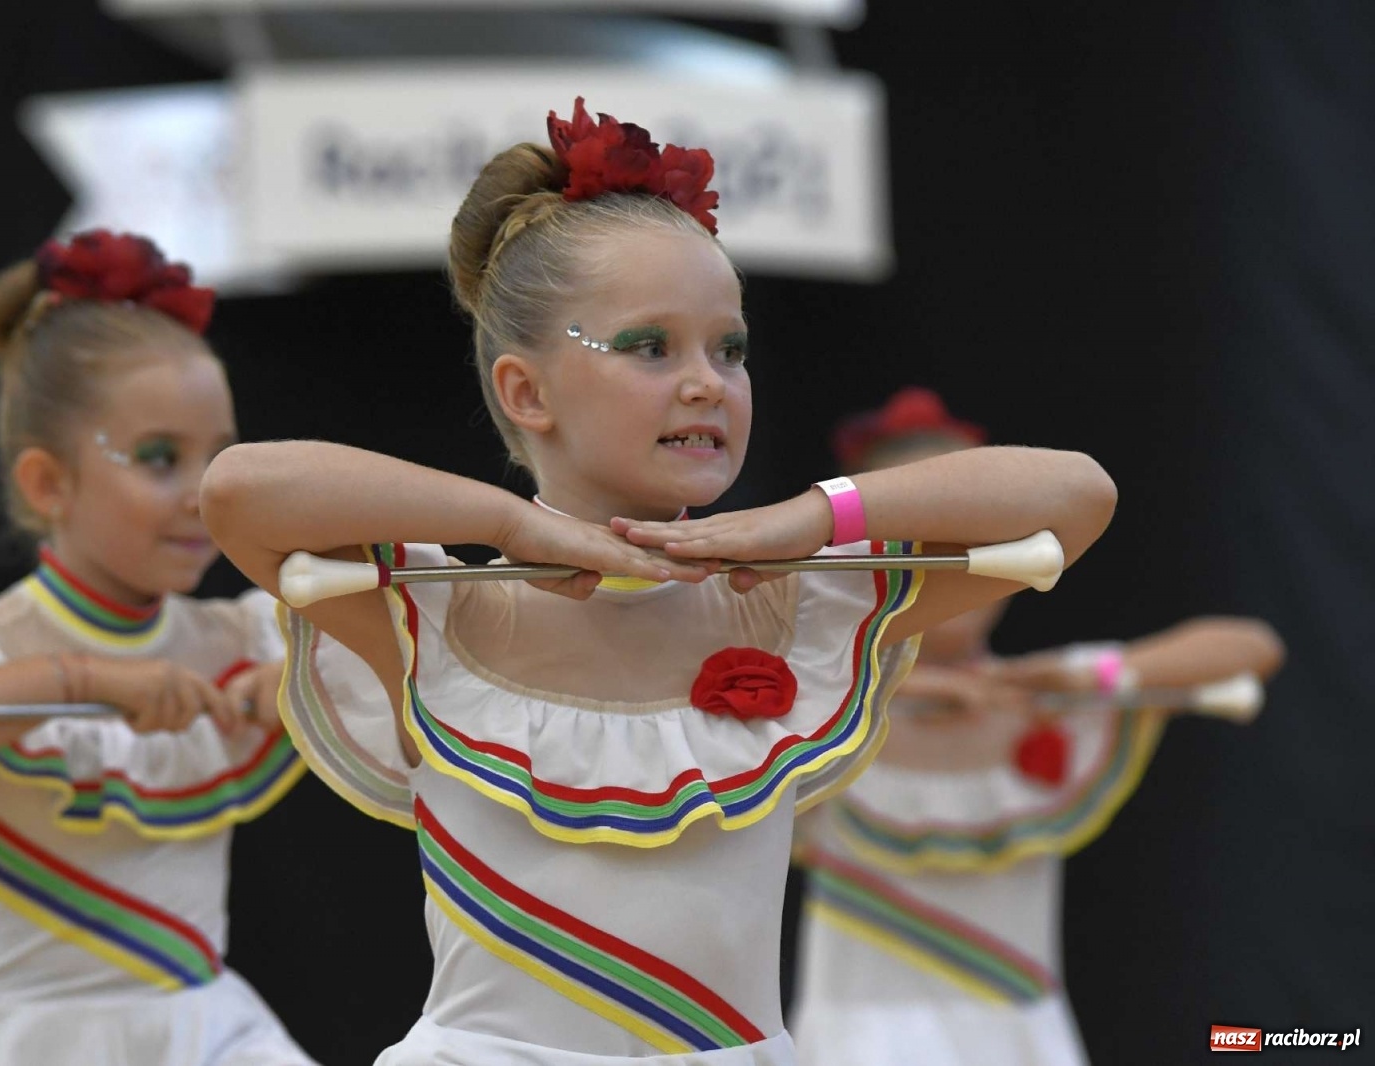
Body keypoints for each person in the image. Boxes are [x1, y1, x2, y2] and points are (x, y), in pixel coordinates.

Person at [200, 100, 1118, 1065]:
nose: (706, 382)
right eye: (650, 347)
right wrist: (511, 524)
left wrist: (810, 517)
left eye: (730, 348)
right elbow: (243, 491)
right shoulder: (439, 616)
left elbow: (1076, 496)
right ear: (525, 391)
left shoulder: (797, 605)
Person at [0, 230, 316, 1066]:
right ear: (47, 483)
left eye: (219, 458)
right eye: (160, 459)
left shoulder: (243, 637)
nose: (202, 495)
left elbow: (419, 702)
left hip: (197, 1033)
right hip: (13, 1037)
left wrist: (304, 689)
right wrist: (77, 679)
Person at [787, 387, 1285, 1066]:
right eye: (922, 543)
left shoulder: (1045, 692)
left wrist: (1098, 678)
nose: (948, 566)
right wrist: (897, 683)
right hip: (855, 1038)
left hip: (1018, 1034)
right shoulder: (815, 700)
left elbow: (1251, 646)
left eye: (972, 542)